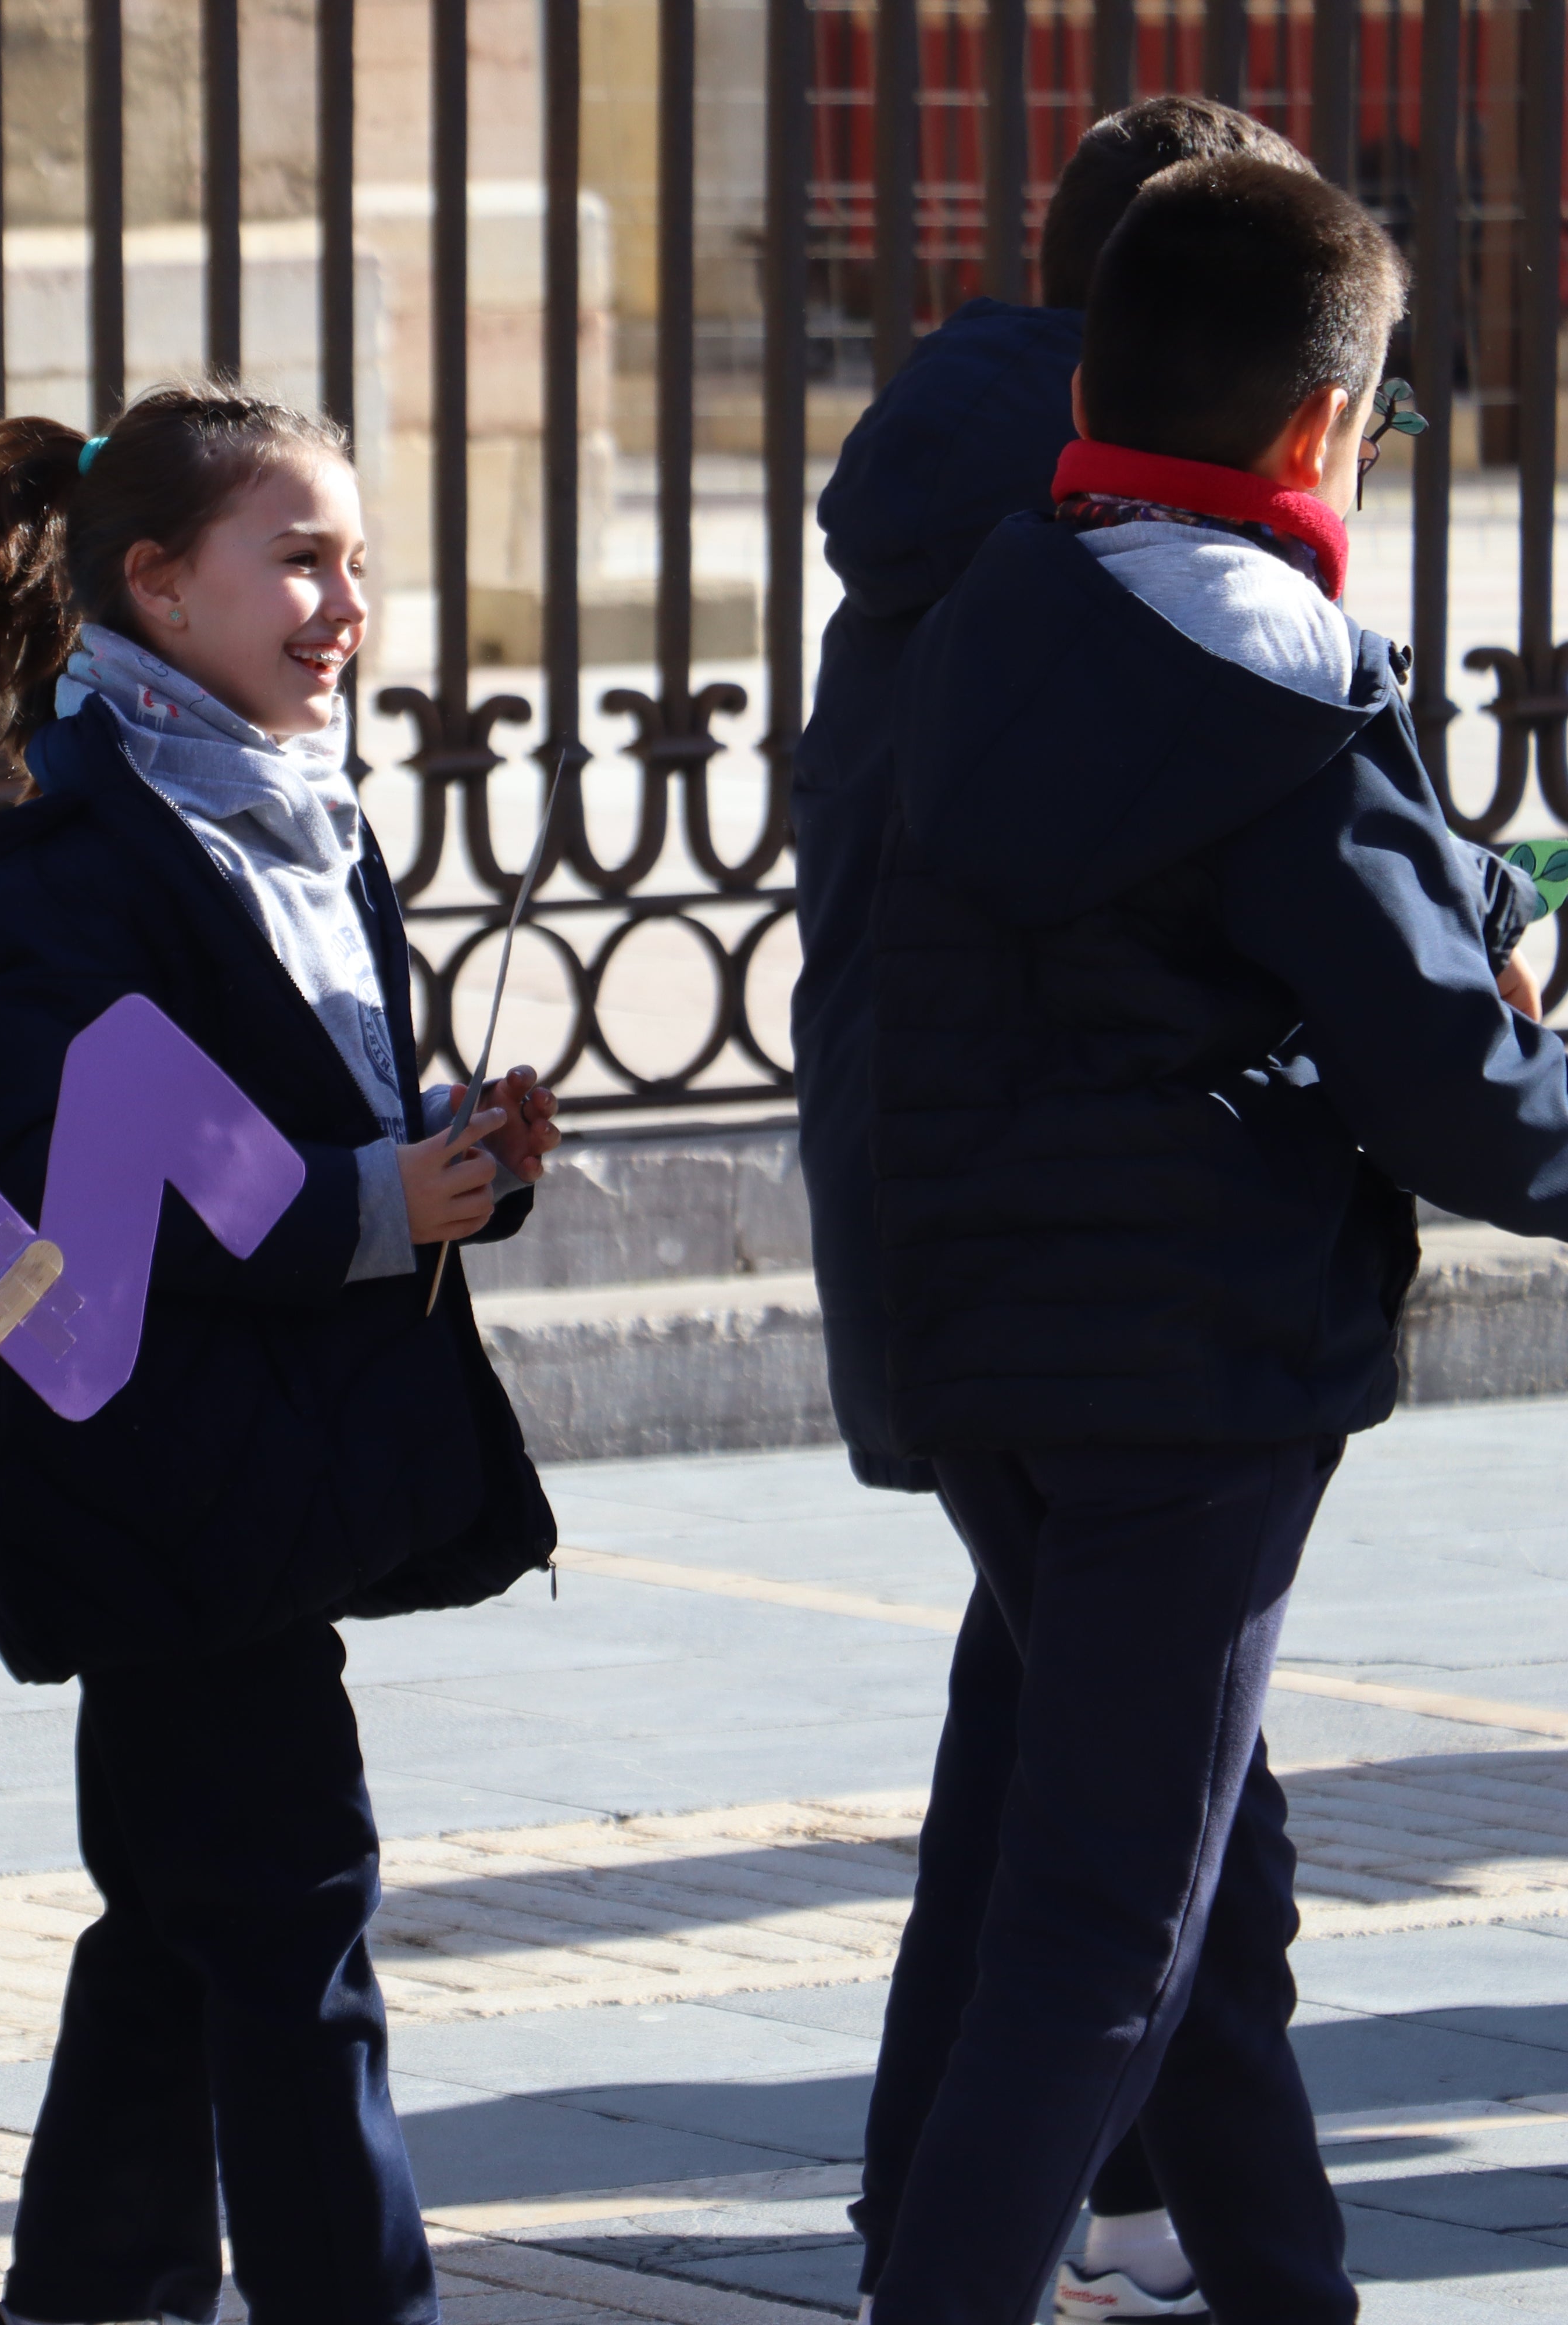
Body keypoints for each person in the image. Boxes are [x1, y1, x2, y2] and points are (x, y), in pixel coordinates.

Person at [853, 155, 1568, 2323]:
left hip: (977, 1338)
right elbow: (1461, 1099)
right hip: (1190, 1369)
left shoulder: (997, 606)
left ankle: (1289, 2290)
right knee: (1103, 1935)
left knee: (1198, 1891)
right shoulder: (1283, 689)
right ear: (1323, 431)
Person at [0, 385, 563, 2325]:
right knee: (290, 1922)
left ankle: (92, 2296)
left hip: (250, 1468)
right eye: (299, 562)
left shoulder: (289, 810)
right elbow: (74, 1197)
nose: (344, 605)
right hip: (165, 1478)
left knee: (183, 1925)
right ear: (158, 587)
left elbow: (283, 1111)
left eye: (356, 561)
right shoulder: (78, 857)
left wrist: (450, 1165)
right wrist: (360, 1200)